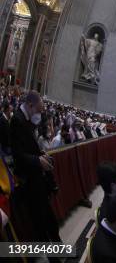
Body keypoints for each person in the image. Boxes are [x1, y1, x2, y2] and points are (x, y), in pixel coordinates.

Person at [8, 91, 61, 243]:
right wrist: (38, 161)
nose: (40, 113)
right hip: (28, 179)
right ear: (30, 105)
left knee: (49, 219)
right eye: (39, 110)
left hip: (37, 177)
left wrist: (41, 154)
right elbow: (18, 155)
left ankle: (59, 249)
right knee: (41, 223)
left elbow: (30, 147)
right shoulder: (17, 120)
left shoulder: (28, 118)